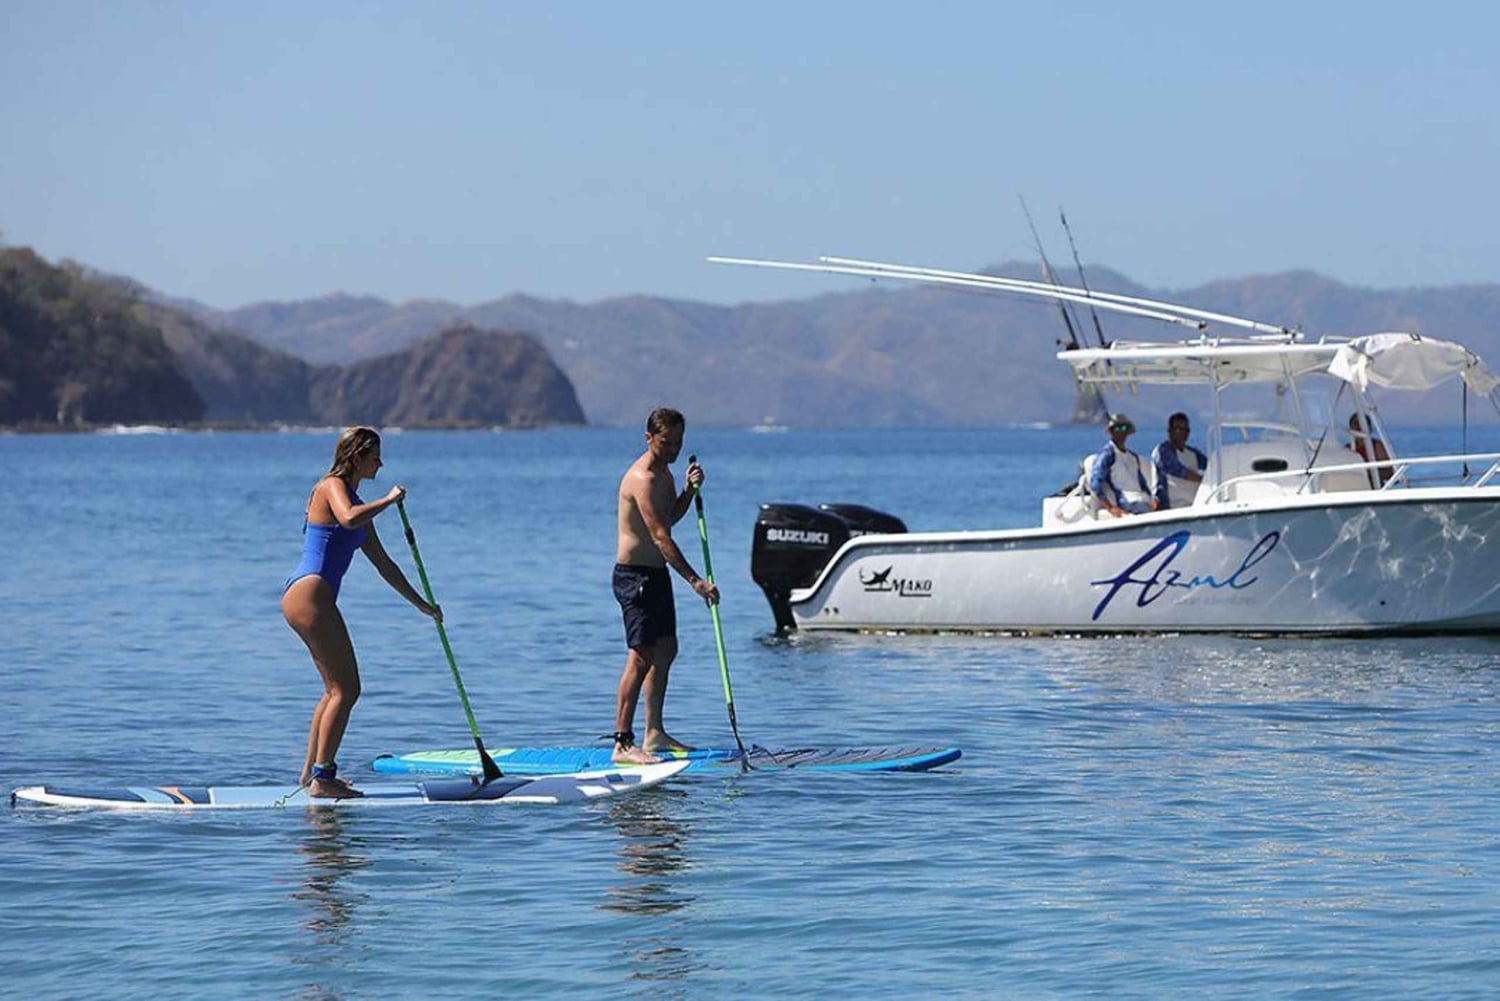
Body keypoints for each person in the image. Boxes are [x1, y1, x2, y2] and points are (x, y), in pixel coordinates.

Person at [281, 426, 441, 798]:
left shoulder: (352, 500)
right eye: (375, 457)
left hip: (310, 596)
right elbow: (349, 518)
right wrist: (388, 500)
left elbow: (385, 565)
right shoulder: (332, 487)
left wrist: (423, 606)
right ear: (356, 456)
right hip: (310, 594)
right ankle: (324, 778)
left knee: (333, 690)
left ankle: (310, 777)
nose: (381, 464)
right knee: (348, 690)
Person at [610, 407, 719, 765]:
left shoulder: (666, 474)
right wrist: (696, 582)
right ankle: (623, 744)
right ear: (648, 438)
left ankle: (653, 733)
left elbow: (669, 518)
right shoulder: (642, 478)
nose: (672, 449)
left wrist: (688, 491)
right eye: (665, 442)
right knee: (641, 657)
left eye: (677, 443)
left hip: (656, 576)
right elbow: (660, 537)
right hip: (634, 577)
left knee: (667, 649)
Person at [1088, 412, 1157, 516]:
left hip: (1144, 500)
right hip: (1128, 502)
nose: (1121, 432)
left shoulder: (1133, 457)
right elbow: (1095, 483)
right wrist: (1110, 507)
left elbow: (1141, 483)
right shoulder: (1107, 455)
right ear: (1111, 431)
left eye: (1124, 428)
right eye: (1117, 429)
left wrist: (1152, 498)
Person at [1151, 412, 1208, 510]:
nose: (1181, 432)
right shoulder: (1163, 451)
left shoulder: (1193, 453)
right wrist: (1205, 480)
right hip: (1171, 509)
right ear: (1169, 431)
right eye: (1177, 429)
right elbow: (1179, 470)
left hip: (1195, 506)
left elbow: (1210, 466)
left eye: (1185, 430)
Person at [1348, 412, 1393, 485]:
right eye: (1356, 423)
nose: (1359, 426)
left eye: (1362, 423)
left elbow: (1388, 472)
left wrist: (1368, 471)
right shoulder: (1347, 449)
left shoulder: (1376, 446)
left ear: (1369, 427)